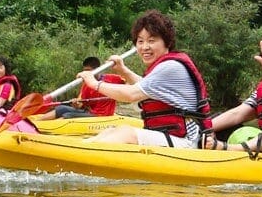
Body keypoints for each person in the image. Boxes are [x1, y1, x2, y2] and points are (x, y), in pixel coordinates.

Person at [76, 9, 212, 148]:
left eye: (151, 41)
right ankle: (79, 151)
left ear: (167, 42)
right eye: (140, 41)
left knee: (125, 134)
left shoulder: (170, 67)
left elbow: (132, 94)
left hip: (187, 142)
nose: (144, 47)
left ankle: (81, 158)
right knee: (112, 131)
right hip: (174, 137)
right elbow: (145, 86)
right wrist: (123, 71)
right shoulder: (166, 65)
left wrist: (94, 83)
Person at [35, 57, 125, 120]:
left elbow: (130, 84)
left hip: (101, 116)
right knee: (61, 108)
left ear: (97, 69)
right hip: (90, 112)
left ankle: (47, 129)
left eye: (88, 71)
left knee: (67, 115)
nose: (85, 73)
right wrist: (75, 103)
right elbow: (80, 104)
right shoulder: (86, 84)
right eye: (84, 71)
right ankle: (37, 123)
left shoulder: (113, 79)